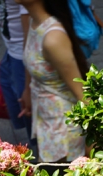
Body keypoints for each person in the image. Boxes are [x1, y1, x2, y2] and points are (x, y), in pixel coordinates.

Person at [16, 0, 88, 162]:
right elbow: (30, 59)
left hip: (63, 130)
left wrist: (93, 141)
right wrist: (27, 90)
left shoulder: (53, 38)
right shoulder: (33, 23)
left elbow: (82, 93)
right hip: (46, 121)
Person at [0, 0, 32, 140]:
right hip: (12, 51)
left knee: (28, 108)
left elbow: (30, 40)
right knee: (16, 102)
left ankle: (43, 154)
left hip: (22, 56)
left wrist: (28, 88)